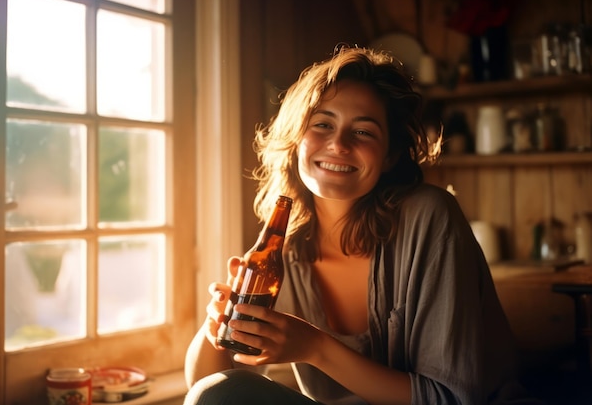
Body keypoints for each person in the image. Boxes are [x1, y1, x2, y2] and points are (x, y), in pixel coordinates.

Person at [184, 46, 538, 405]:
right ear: (295, 141)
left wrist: (314, 347)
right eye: (322, 124)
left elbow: (449, 399)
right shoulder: (283, 248)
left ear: (390, 156)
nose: (338, 144)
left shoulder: (430, 217)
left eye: (364, 132)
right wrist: (219, 325)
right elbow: (207, 389)